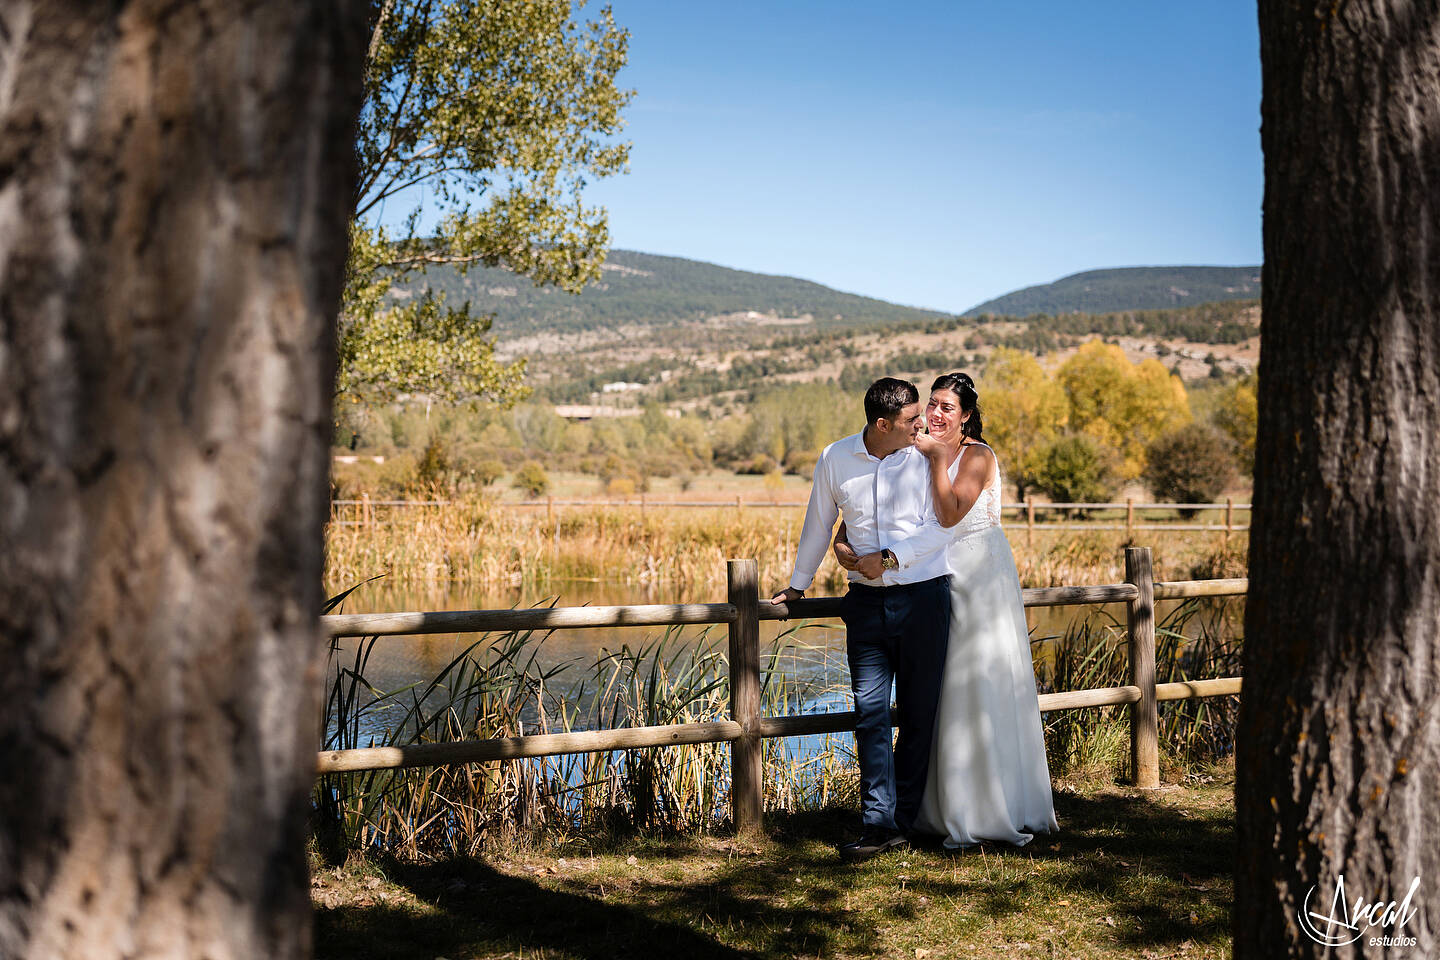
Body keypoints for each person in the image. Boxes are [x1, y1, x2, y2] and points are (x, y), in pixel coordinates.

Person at [836, 373, 1058, 850]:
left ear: (967, 417)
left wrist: (937, 458)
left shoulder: (976, 455)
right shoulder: (910, 450)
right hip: (931, 578)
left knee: (979, 684)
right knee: (942, 696)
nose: (935, 415)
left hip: (978, 575)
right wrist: (845, 538)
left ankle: (990, 805)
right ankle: (935, 806)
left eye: (947, 408)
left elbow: (950, 514)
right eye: (931, 405)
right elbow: (870, 503)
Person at [770, 377, 956, 863]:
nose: (922, 424)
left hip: (924, 599)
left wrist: (889, 558)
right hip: (866, 607)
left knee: (920, 715)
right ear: (882, 424)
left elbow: (942, 529)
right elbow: (819, 521)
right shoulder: (835, 457)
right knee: (869, 715)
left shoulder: (928, 455)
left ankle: (908, 821)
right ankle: (878, 825)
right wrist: (798, 583)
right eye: (912, 419)